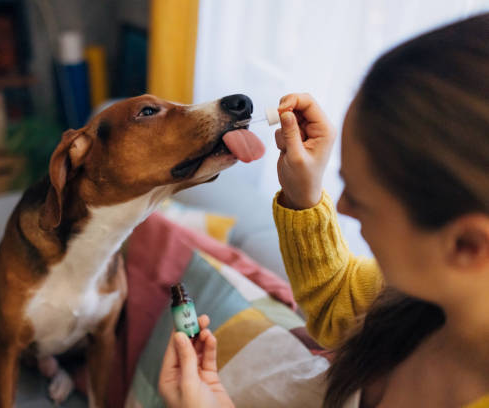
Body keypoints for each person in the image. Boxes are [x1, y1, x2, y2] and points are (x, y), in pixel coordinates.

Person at [159, 13, 489, 408]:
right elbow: (340, 302)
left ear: (467, 245)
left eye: (362, 199)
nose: (343, 207)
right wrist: (305, 195)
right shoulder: (421, 299)